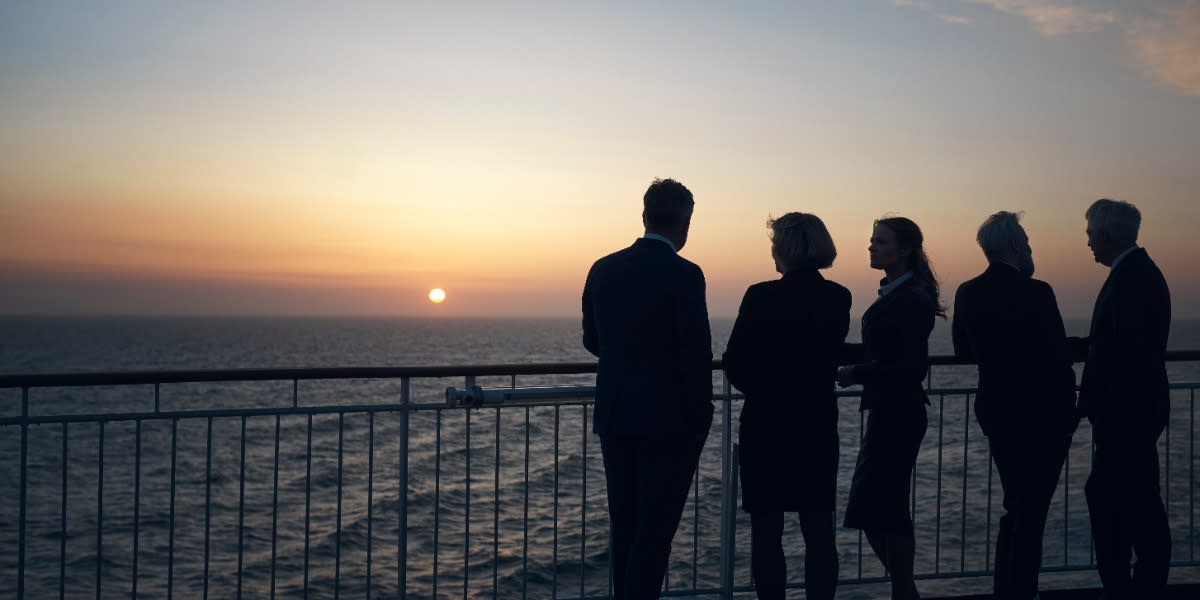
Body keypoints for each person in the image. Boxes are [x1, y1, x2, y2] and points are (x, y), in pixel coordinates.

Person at [582, 178, 714, 599]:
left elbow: (592, 340)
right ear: (685, 223)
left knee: (625, 526)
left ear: (644, 216)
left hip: (617, 414)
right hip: (670, 421)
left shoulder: (603, 267)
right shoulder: (686, 275)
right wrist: (701, 416)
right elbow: (696, 352)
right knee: (655, 532)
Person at [722, 212, 850, 600]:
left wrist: (765, 389)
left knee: (767, 530)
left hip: (766, 425)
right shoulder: (838, 296)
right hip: (815, 422)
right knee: (818, 528)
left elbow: (735, 363)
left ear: (784, 248)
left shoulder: (760, 295)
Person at [951, 211, 1078, 600]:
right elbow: (1056, 355)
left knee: (1015, 505)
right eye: (1025, 240)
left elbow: (962, 350)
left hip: (997, 410)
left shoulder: (968, 291)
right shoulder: (1037, 291)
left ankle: (1006, 589)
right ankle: (1021, 590)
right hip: (1043, 415)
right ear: (1013, 246)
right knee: (1032, 511)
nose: (1029, 246)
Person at [836, 216, 943, 600]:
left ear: (904, 249)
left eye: (880, 242)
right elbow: (885, 351)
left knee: (882, 508)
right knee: (878, 507)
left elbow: (912, 366)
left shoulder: (911, 298)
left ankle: (905, 592)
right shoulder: (900, 292)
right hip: (891, 412)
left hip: (897, 414)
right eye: (872, 241)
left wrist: (856, 372)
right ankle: (905, 591)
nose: (871, 247)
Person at [1070, 198, 1171, 599]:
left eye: (1091, 232)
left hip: (1125, 415)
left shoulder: (1130, 278)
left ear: (1106, 234)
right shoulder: (1136, 273)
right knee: (1133, 501)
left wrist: (1088, 401)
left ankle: (1130, 589)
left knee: (1125, 506)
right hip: (1134, 413)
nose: (1088, 240)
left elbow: (1122, 353)